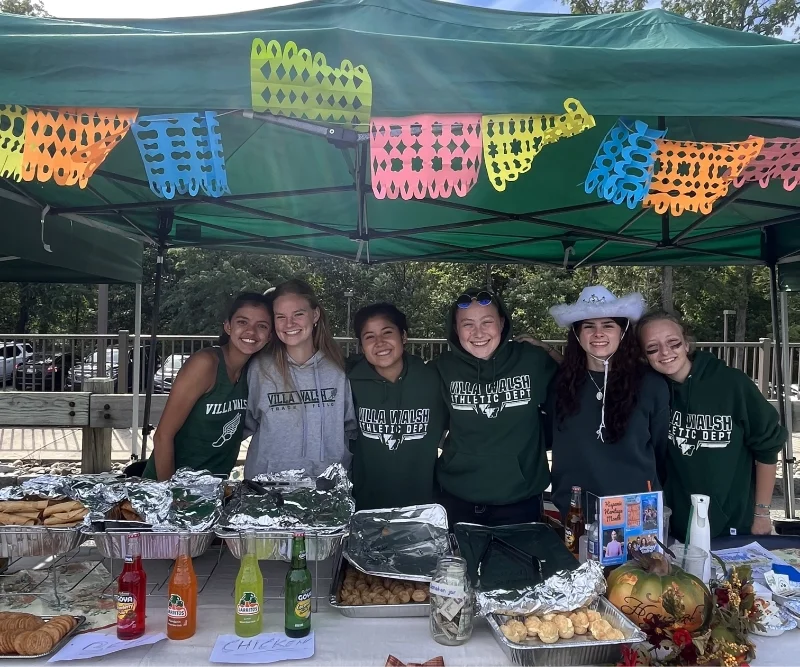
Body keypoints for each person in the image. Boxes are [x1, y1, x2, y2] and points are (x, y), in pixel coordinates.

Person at [638, 310, 786, 540]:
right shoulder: (650, 392)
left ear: (687, 344)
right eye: (652, 348)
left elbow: (767, 448)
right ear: (644, 355)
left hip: (735, 521)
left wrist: (762, 514)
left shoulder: (732, 384)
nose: (665, 352)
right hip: (677, 523)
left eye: (673, 343)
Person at [435, 287, 558, 527]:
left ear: (502, 323)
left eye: (487, 322)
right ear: (455, 329)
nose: (478, 332)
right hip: (457, 498)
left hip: (519, 500)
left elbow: (579, 382)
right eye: (467, 324)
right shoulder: (442, 368)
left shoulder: (532, 361)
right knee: (459, 566)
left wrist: (550, 351)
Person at [547, 286, 669, 520]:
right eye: (589, 326)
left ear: (623, 332)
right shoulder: (559, 383)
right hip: (576, 512)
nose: (598, 333)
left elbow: (662, 450)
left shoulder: (650, 384)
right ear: (577, 333)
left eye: (608, 325)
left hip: (636, 514)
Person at [142, 292, 272, 480]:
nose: (251, 331)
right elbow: (162, 436)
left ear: (269, 336)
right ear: (228, 326)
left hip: (214, 488)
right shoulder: (205, 364)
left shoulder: (255, 372)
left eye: (262, 326)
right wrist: (171, 495)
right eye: (242, 322)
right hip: (170, 487)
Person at [245, 279, 356, 478]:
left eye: (298, 314)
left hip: (327, 487)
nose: (289, 324)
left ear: (315, 315)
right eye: (281, 316)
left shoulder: (339, 369)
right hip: (269, 487)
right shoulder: (260, 369)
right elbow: (242, 425)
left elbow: (351, 428)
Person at [348, 303, 447, 510]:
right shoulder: (349, 380)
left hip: (424, 506)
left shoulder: (435, 378)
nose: (380, 343)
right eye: (369, 337)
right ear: (361, 346)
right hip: (366, 506)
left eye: (387, 332)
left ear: (403, 336)